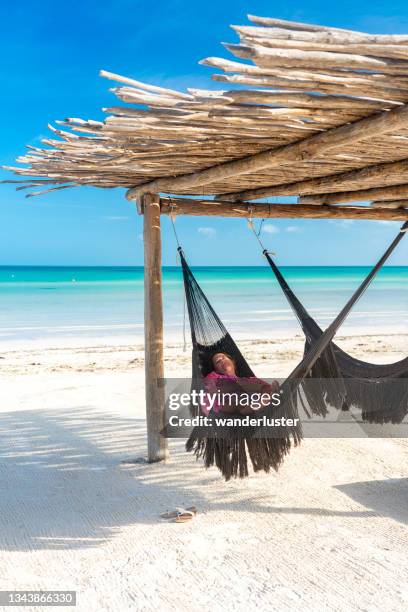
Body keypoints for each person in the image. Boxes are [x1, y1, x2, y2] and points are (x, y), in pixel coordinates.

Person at [201, 351, 280, 416]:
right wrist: (233, 386)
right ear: (216, 370)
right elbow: (208, 394)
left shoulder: (249, 380)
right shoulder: (214, 377)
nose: (222, 360)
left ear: (232, 361)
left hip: (255, 401)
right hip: (233, 404)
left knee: (258, 385)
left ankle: (264, 401)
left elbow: (265, 387)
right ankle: (261, 403)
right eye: (218, 361)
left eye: (224, 357)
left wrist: (269, 388)